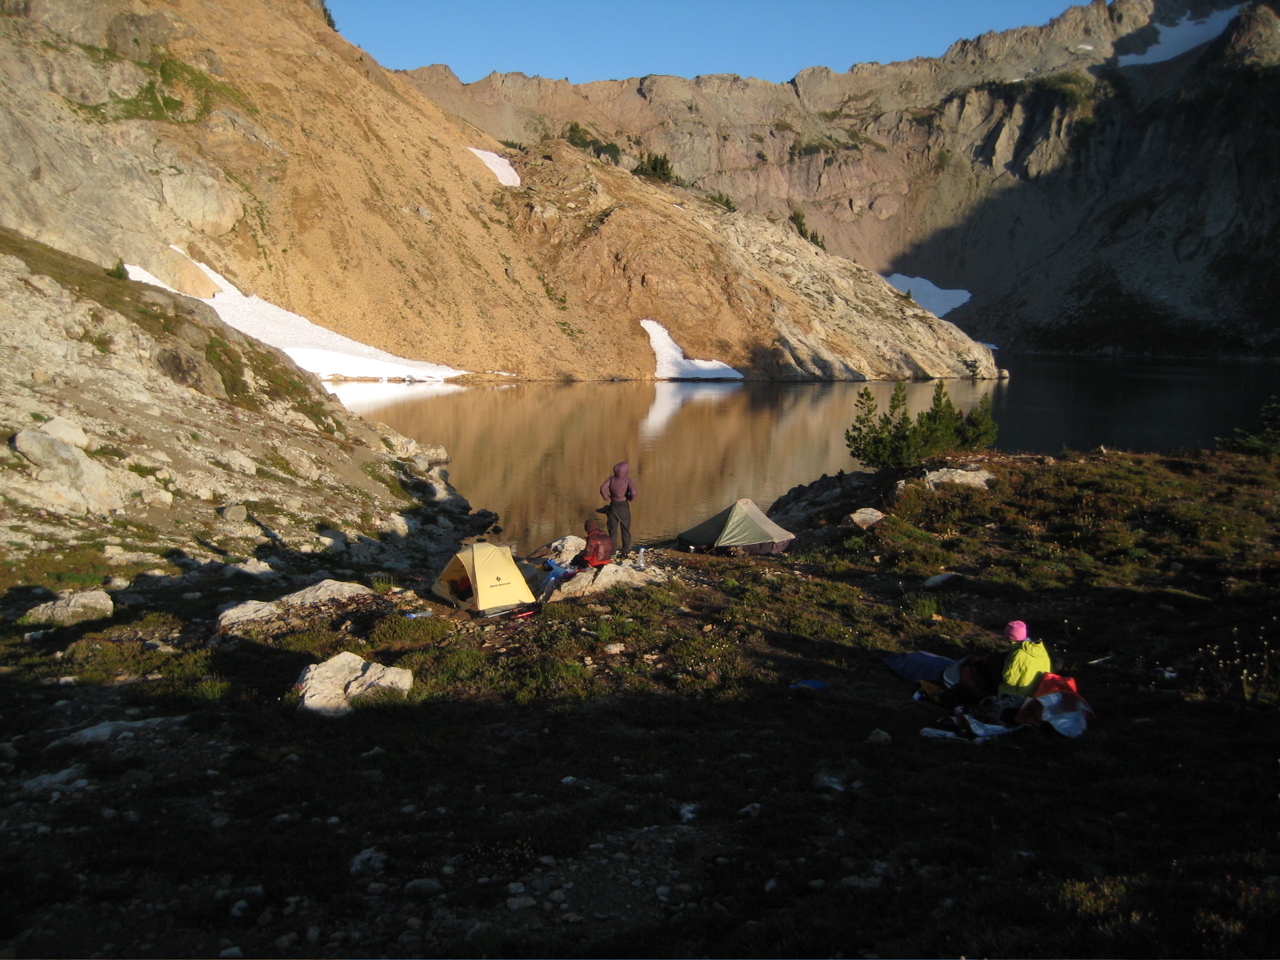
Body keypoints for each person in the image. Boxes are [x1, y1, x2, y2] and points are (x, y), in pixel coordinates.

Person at [599, 461, 636, 559]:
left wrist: (606, 497)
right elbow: (633, 492)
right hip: (623, 505)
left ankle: (613, 552)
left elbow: (603, 488)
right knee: (625, 529)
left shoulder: (611, 479)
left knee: (612, 529)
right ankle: (626, 551)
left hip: (613, 505)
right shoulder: (627, 480)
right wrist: (630, 498)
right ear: (626, 472)